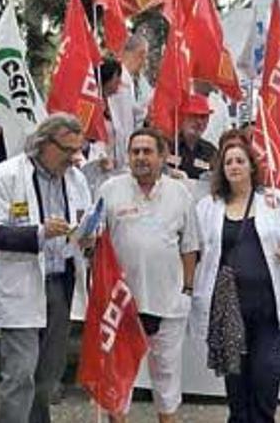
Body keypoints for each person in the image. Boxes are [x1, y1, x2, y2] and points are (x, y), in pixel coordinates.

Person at [0, 114, 94, 423]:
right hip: (21, 285)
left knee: (48, 376)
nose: (74, 157)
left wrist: (89, 235)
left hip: (61, 284)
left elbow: (83, 223)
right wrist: (39, 233)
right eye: (67, 149)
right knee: (20, 374)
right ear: (43, 143)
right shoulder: (6, 175)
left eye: (77, 149)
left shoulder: (76, 179)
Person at [96, 128, 201, 423]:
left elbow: (190, 245)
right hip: (121, 303)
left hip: (168, 301)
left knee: (166, 375)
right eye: (135, 152)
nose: (140, 158)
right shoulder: (109, 189)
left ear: (163, 156)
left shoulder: (180, 193)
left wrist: (188, 290)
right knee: (119, 378)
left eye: (147, 151)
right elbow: (94, 240)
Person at [191, 141, 280, 422]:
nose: (234, 166)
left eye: (240, 160)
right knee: (236, 382)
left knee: (266, 373)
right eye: (228, 162)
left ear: (252, 165)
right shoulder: (208, 206)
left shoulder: (275, 200)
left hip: (267, 308)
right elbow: (193, 246)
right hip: (228, 310)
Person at [107, 33, 152, 168]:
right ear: (141, 54)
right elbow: (119, 120)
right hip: (116, 152)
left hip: (122, 150)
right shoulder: (120, 78)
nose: (145, 63)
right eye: (145, 57)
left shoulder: (128, 79)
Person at [173, 94, 217, 180]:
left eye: (203, 117)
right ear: (182, 117)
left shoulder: (211, 151)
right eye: (193, 115)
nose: (199, 122)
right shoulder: (168, 145)